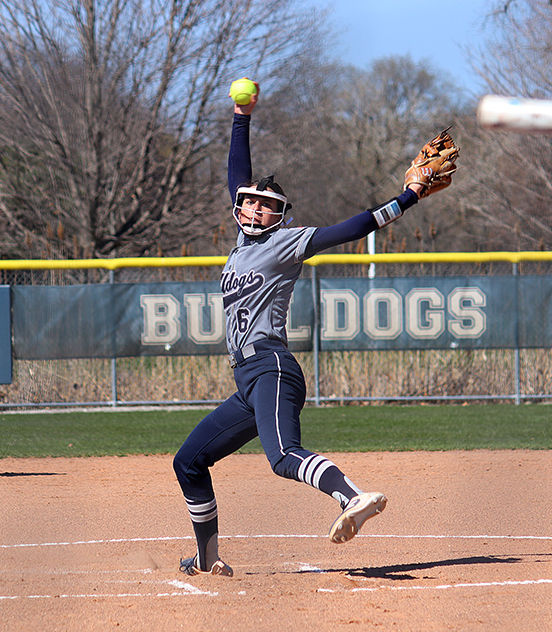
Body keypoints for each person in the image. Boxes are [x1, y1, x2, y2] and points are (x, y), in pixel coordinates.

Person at [173, 82, 456, 576]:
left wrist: (408, 197)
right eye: (250, 202)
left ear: (279, 216)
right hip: (248, 380)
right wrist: (241, 115)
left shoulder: (285, 242)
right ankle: (208, 558)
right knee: (189, 461)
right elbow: (237, 173)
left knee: (283, 456)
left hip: (272, 367)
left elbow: (352, 228)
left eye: (267, 205)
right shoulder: (241, 245)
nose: (256, 208)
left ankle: (352, 496)